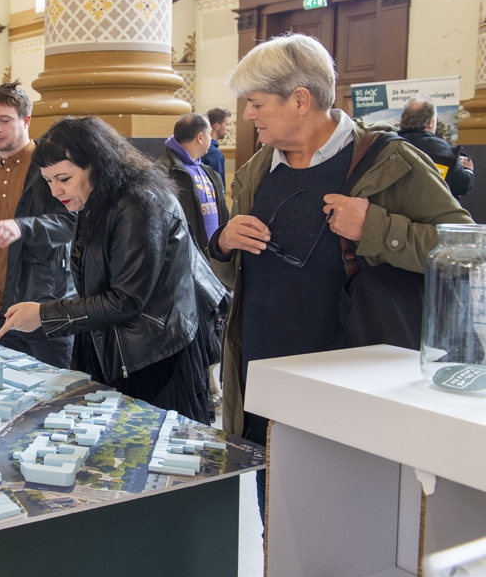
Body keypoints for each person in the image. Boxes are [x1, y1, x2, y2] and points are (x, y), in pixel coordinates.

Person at [210, 33, 472, 520]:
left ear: (300, 100)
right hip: (263, 388)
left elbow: (464, 248)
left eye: (256, 103)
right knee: (280, 534)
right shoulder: (253, 171)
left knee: (348, 535)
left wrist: (375, 227)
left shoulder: (391, 162)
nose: (247, 115)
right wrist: (225, 244)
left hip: (349, 395)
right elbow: (236, 278)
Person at [0, 117, 227, 425]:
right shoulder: (97, 198)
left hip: (154, 355)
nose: (55, 191)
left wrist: (43, 314)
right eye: (49, 181)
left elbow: (126, 299)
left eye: (63, 178)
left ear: (95, 164)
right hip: (122, 347)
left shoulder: (140, 204)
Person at [0, 81, 76, 368]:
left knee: (54, 398)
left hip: (44, 305)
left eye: (5, 120)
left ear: (26, 120)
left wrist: (23, 227)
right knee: (9, 392)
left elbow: (71, 225)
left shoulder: (52, 169)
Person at [157, 113, 230, 255]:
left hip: (215, 257)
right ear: (200, 137)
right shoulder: (165, 171)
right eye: (209, 134)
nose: (211, 139)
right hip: (186, 258)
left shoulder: (209, 172)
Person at [397, 96, 474, 200]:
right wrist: (468, 170)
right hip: (430, 213)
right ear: (430, 122)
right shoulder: (444, 151)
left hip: (390, 212)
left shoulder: (387, 143)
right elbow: (462, 186)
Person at [204, 106, 231, 182]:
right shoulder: (214, 154)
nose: (229, 129)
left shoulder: (200, 148)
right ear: (217, 126)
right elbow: (217, 185)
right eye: (227, 125)